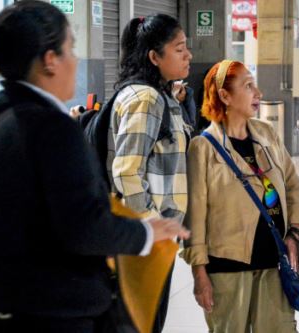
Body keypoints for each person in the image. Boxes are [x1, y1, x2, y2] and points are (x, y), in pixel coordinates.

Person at [0, 2, 188, 332]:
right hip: (42, 316)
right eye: (70, 49)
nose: (76, 61)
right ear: (50, 60)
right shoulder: (50, 126)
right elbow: (83, 225)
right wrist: (147, 231)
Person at [182, 60, 299, 333]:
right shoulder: (202, 148)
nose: (258, 93)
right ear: (224, 96)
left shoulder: (267, 134)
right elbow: (195, 217)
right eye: (248, 86)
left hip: (276, 264)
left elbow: (293, 185)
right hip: (226, 269)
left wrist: (294, 233)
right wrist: (199, 272)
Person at [107, 14, 192, 333]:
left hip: (151, 237)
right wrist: (151, 225)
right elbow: (127, 170)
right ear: (154, 57)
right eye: (179, 49)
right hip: (145, 240)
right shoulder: (146, 99)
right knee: (144, 323)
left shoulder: (160, 95)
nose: (188, 56)